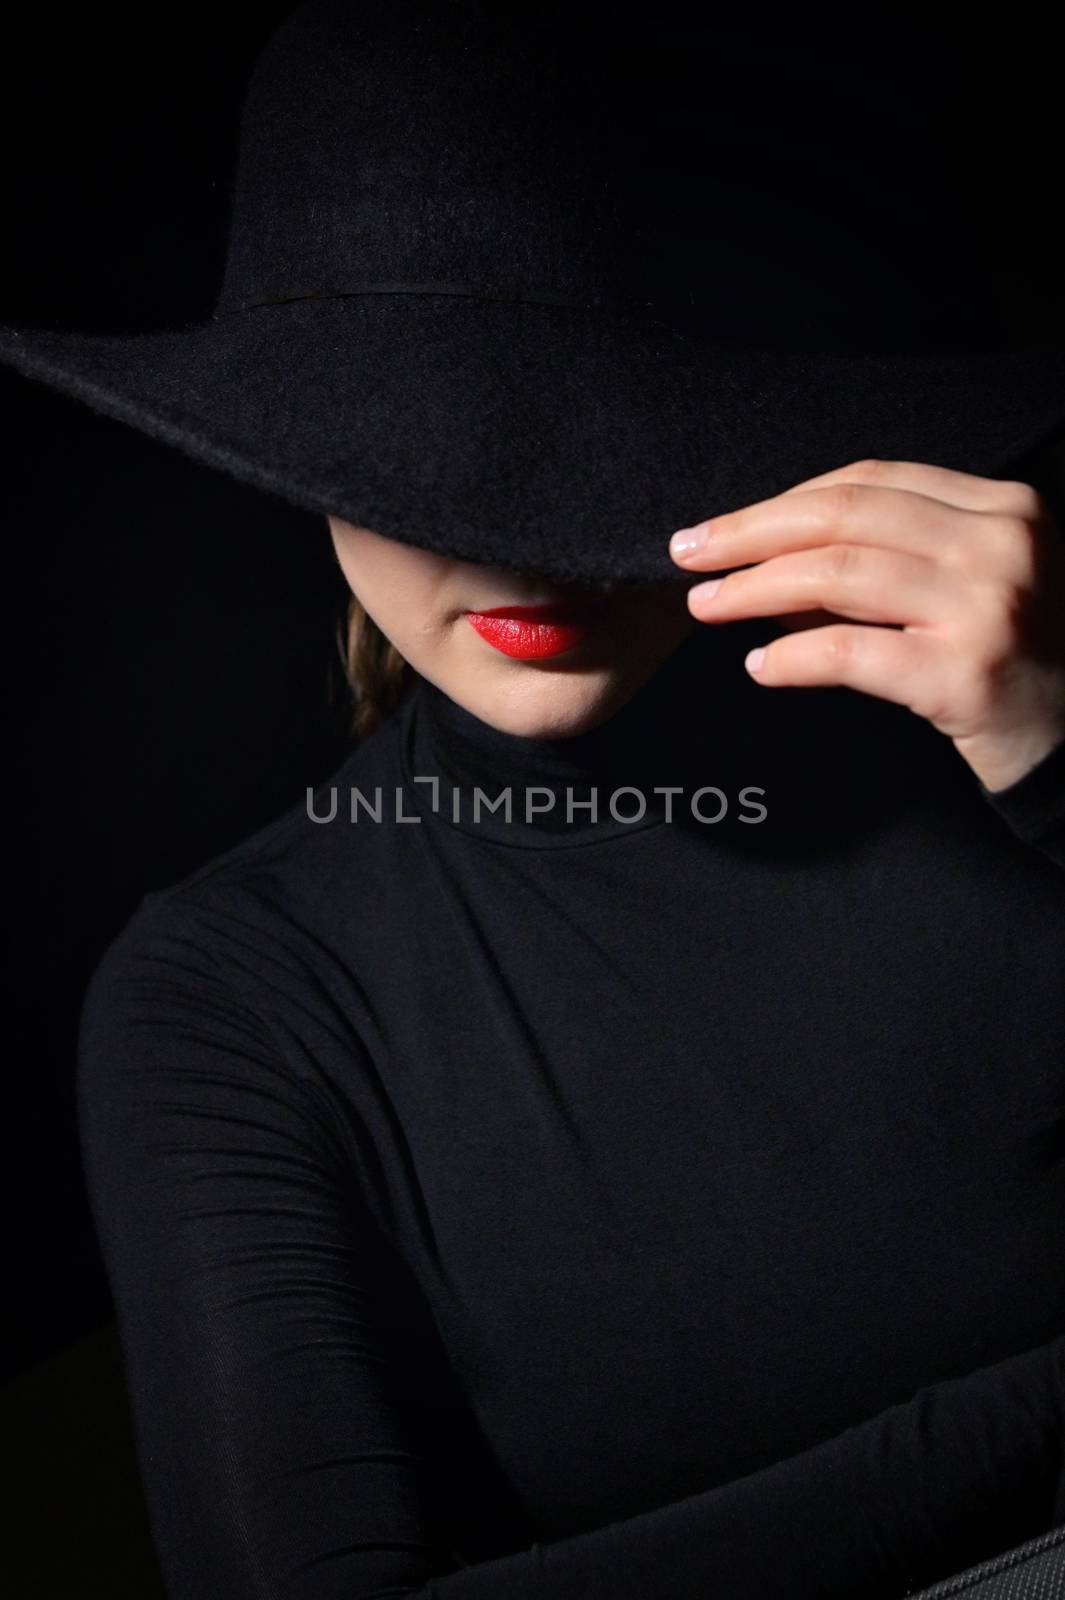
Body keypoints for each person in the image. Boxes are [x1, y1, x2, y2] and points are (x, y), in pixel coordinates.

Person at [2, 4, 1064, 1596]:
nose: (508, 549)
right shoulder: (228, 1000)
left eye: (592, 445)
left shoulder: (995, 737)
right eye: (408, 457)